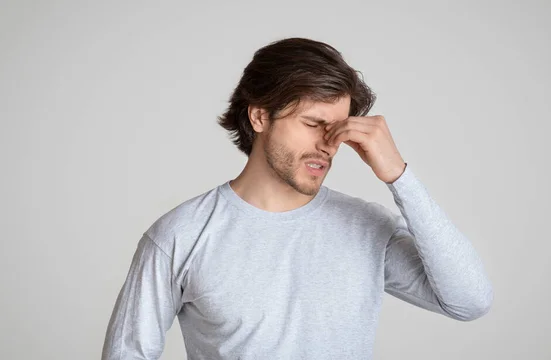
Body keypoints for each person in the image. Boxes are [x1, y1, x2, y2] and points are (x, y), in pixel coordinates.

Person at [101, 37, 493, 360]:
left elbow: (468, 301)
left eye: (339, 129)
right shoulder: (180, 235)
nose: (328, 145)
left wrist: (399, 176)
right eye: (313, 124)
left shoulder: (367, 228)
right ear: (259, 118)